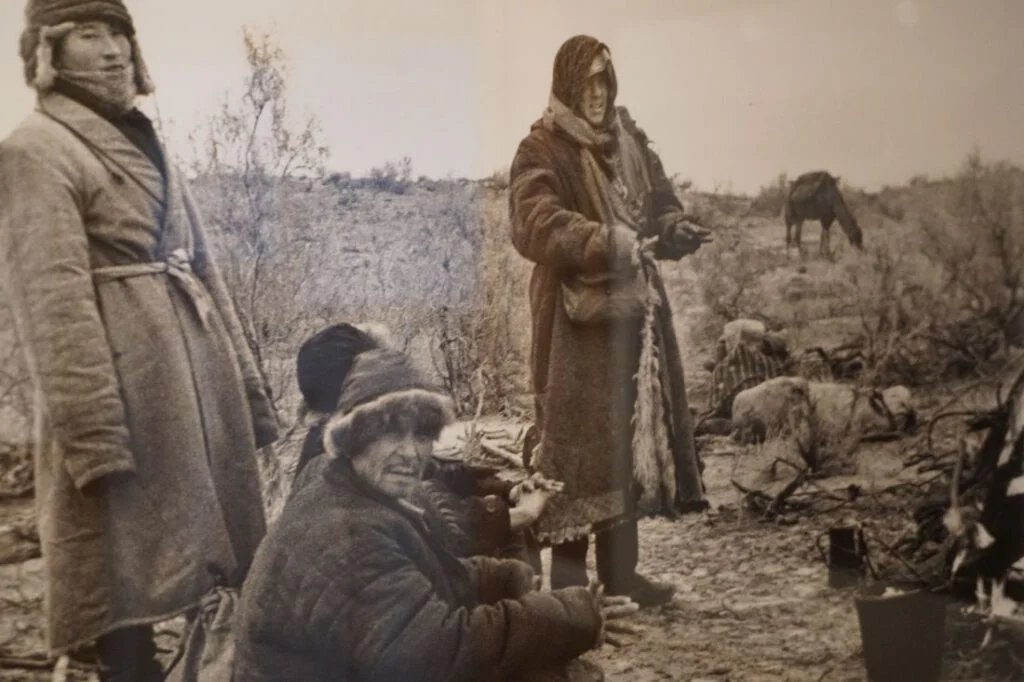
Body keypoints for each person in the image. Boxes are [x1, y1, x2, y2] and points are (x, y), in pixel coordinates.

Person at [0, 1, 277, 678]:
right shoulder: (35, 150)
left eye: (119, 33)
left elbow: (204, 271)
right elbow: (53, 306)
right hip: (122, 396)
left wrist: (248, 397)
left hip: (194, 391)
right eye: (88, 35)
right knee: (123, 594)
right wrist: (95, 439)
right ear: (49, 54)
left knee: (208, 578)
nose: (112, 49)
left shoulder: (146, 138)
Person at [233, 343, 637, 681]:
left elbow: (433, 574)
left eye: (423, 434)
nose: (410, 453)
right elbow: (437, 653)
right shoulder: (346, 532)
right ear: (353, 437)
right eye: (390, 431)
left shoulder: (348, 487)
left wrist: (506, 577)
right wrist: (569, 616)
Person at [508, 35, 710, 606]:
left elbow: (659, 204)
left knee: (627, 437)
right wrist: (603, 240)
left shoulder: (630, 143)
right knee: (573, 447)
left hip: (633, 321)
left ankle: (623, 577)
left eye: (604, 81)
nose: (596, 94)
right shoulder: (541, 148)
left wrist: (673, 230)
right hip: (573, 327)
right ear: (568, 85)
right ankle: (571, 591)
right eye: (587, 83)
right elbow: (533, 222)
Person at [291, 322, 559, 562]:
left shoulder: (348, 437)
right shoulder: (327, 465)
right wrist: (516, 516)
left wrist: (507, 491)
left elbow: (433, 472)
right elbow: (435, 524)